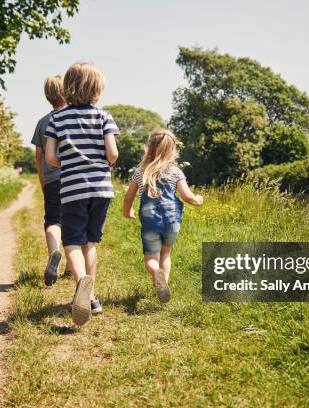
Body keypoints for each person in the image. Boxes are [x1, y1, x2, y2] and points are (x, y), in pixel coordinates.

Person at [45, 62, 119, 326]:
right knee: (90, 242)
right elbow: (113, 154)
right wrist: (100, 162)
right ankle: (92, 298)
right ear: (97, 89)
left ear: (68, 88)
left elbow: (51, 157)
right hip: (101, 188)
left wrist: (69, 164)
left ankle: (82, 288)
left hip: (73, 188)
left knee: (72, 242)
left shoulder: (57, 119)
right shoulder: (104, 117)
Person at [122, 128, 203, 302]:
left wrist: (127, 211)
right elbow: (187, 196)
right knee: (165, 254)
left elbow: (128, 196)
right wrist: (198, 199)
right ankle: (163, 283)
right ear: (172, 150)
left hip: (150, 222)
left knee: (151, 258)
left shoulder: (140, 171)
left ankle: (155, 272)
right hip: (172, 222)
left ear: (149, 148)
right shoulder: (175, 172)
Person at [31, 75, 70, 287]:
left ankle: (54, 252)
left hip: (52, 179)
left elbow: (39, 156)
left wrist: (42, 180)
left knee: (53, 220)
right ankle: (72, 267)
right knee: (72, 221)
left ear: (48, 96)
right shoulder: (74, 118)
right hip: (74, 178)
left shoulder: (43, 122)